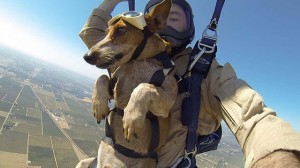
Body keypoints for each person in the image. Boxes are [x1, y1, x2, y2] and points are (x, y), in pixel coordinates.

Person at [78, 0, 300, 167]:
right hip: (108, 155)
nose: (166, 24)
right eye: (161, 18)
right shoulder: (128, 54)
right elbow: (94, 35)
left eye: (176, 19)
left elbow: (250, 113)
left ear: (189, 28)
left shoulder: (205, 71)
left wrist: (277, 154)